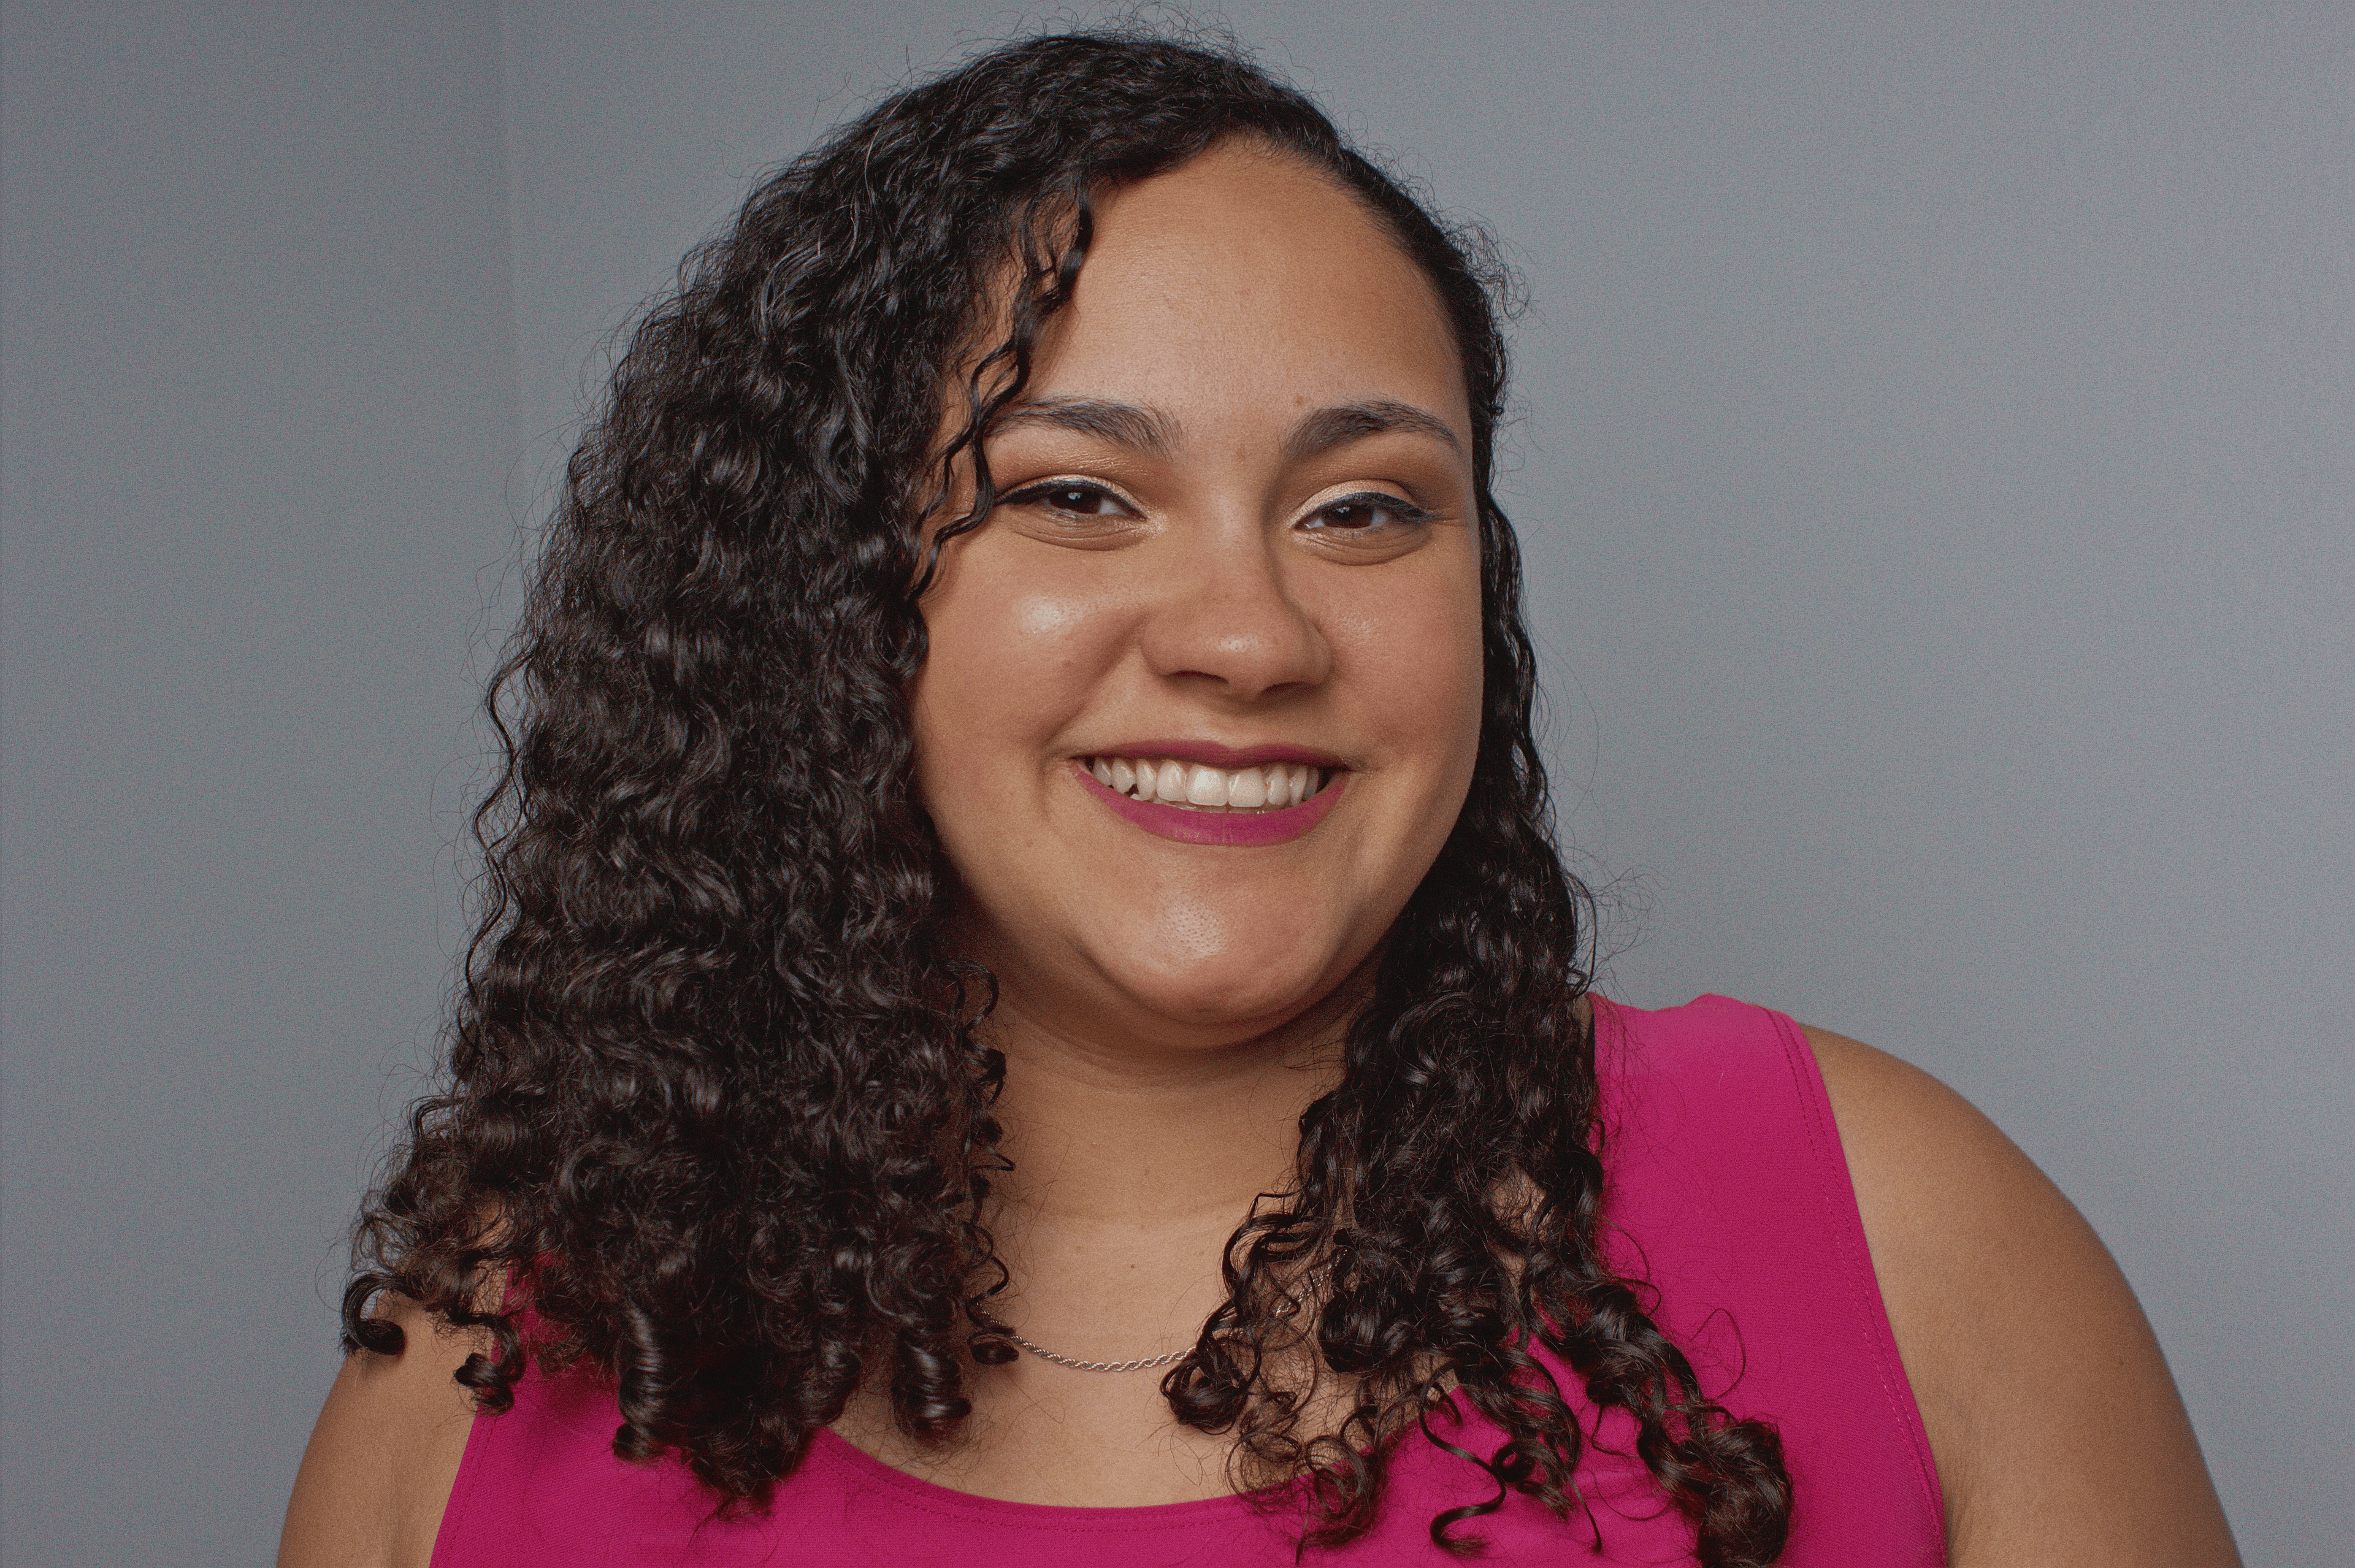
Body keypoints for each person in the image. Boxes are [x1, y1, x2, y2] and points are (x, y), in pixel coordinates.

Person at [278, 30, 2238, 1568]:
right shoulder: (487, 1367)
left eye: (1363, 506)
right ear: (823, 599)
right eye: (1074, 493)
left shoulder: (1897, 1237)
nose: (1249, 632)